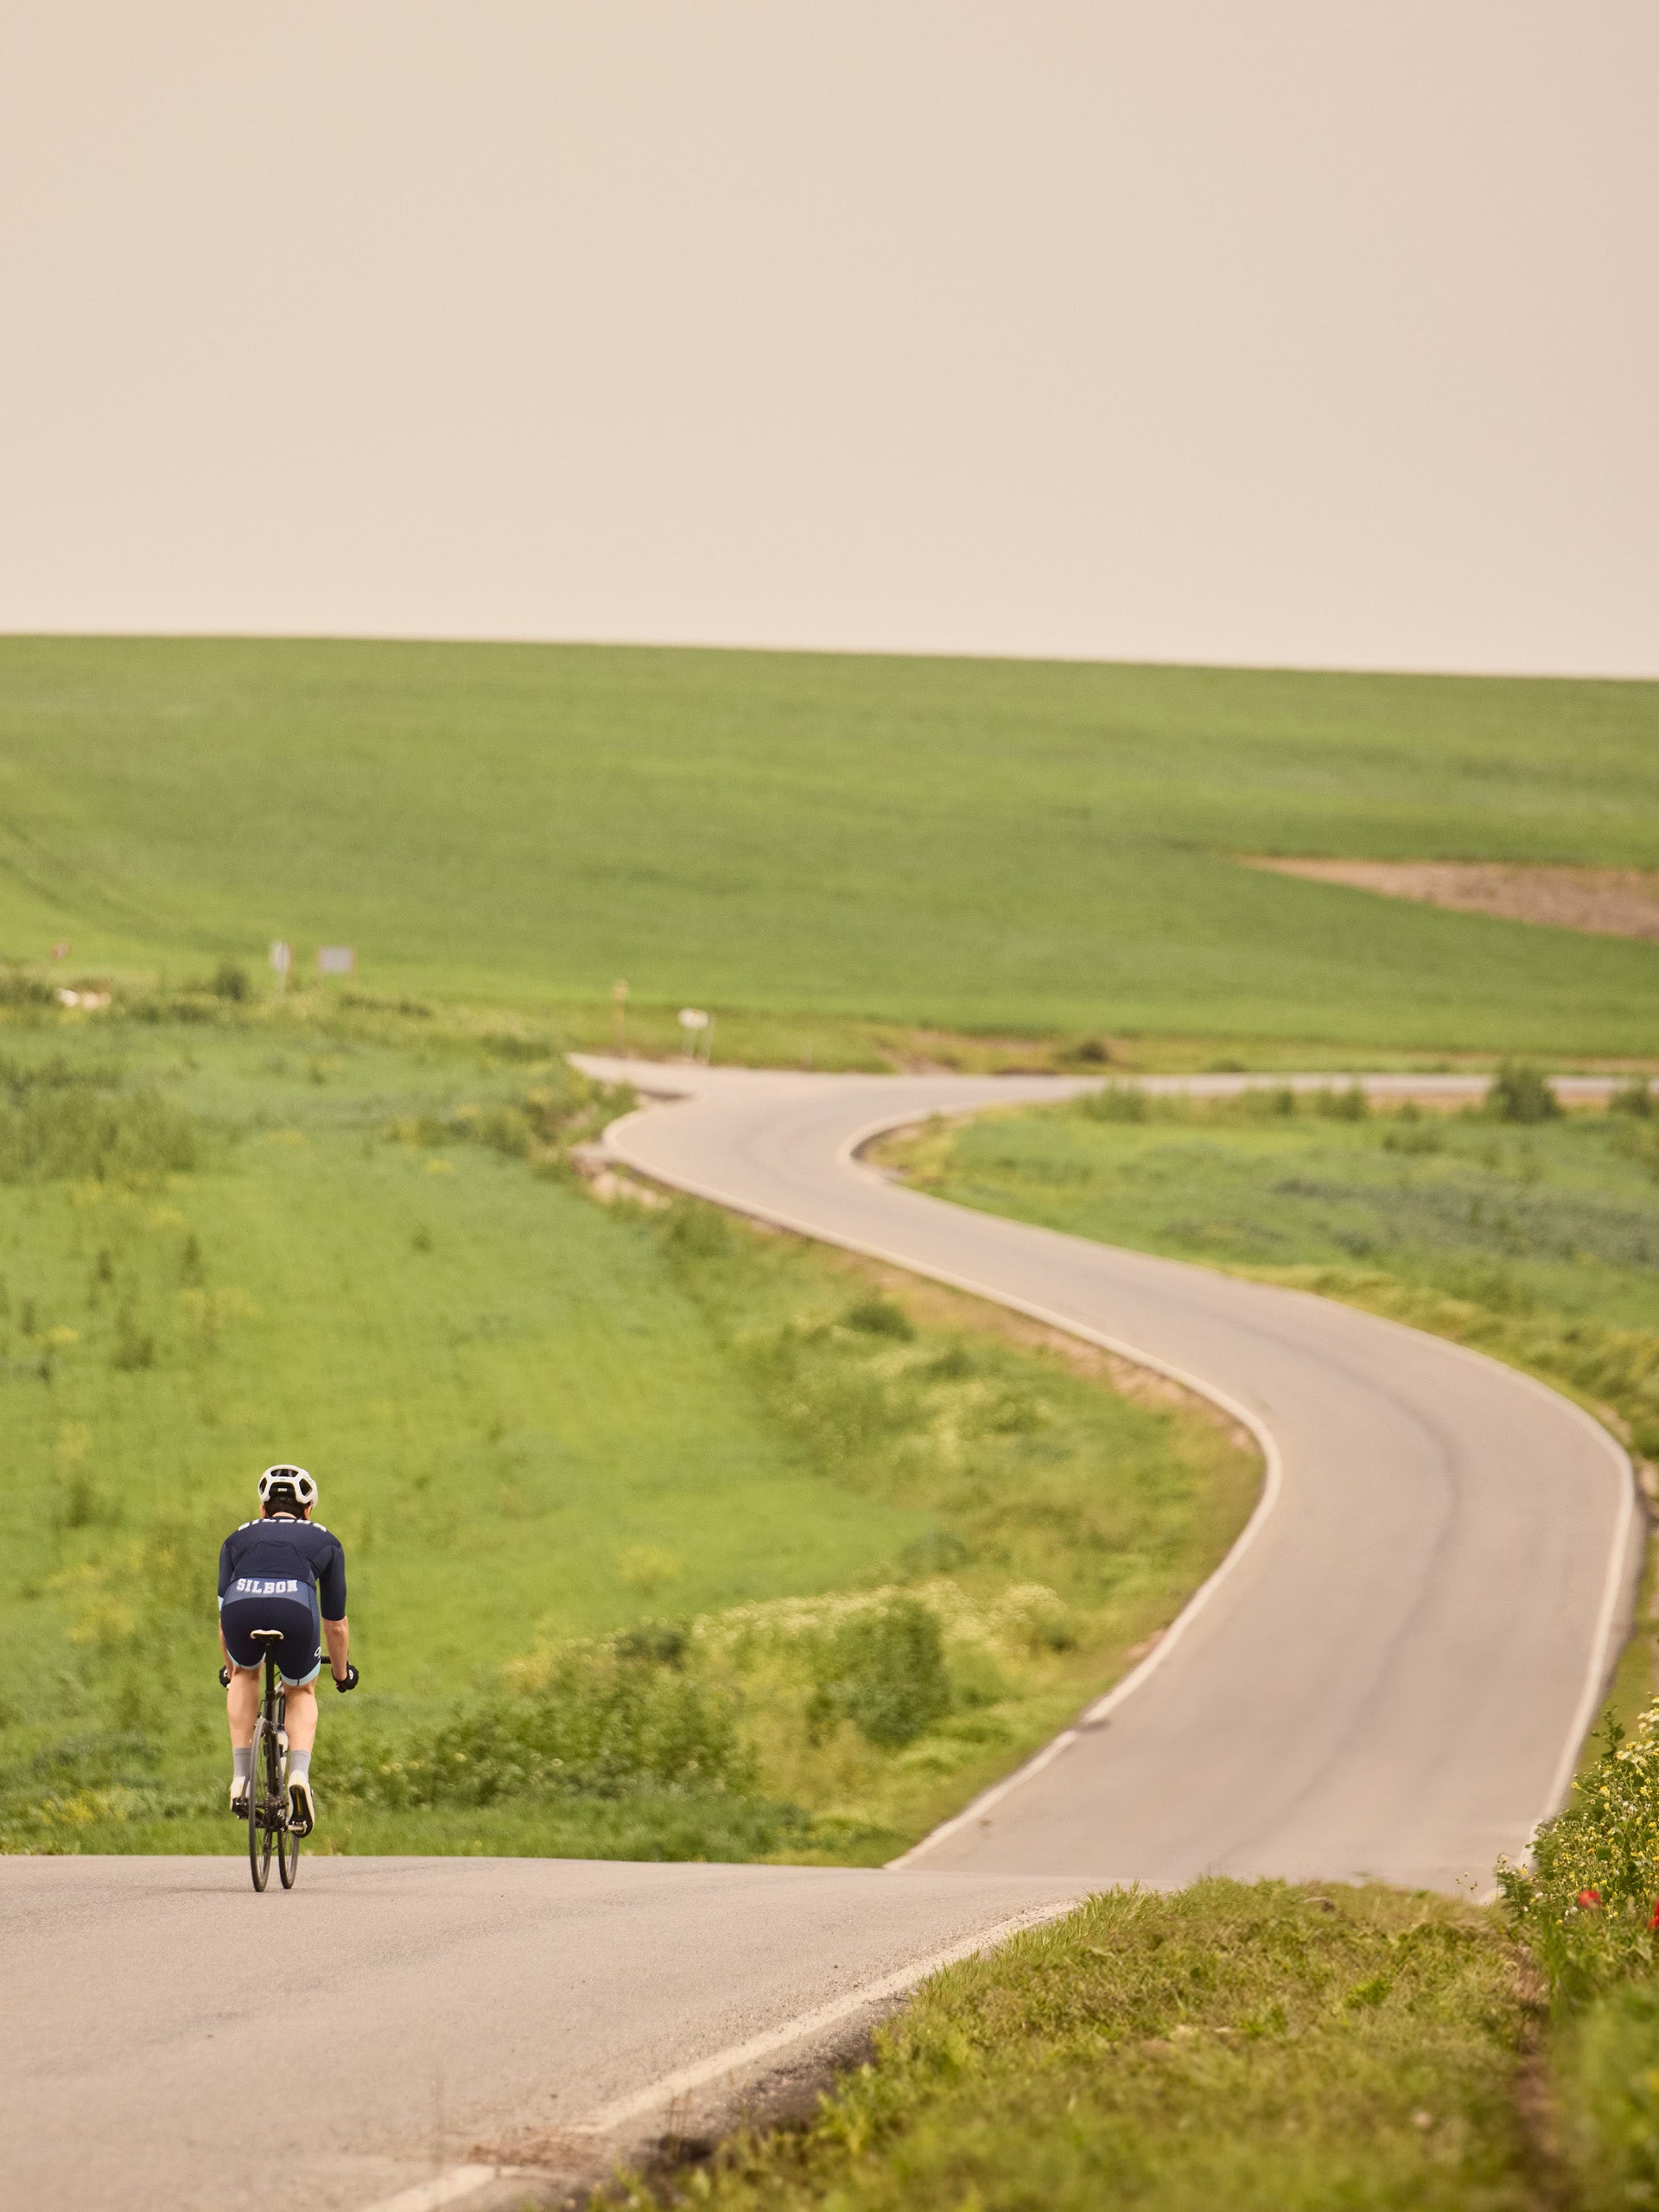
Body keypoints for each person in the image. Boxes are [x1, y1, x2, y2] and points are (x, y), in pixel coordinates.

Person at [218, 1465, 357, 1834]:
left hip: (240, 1604)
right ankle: (298, 1774)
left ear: (263, 1509)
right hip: (295, 1608)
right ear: (308, 1510)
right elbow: (335, 1624)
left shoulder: (237, 1538)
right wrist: (341, 1673)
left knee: (245, 1676)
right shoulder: (325, 1540)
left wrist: (231, 1669)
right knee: (300, 1690)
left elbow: (221, 1619)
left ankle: (241, 1779)